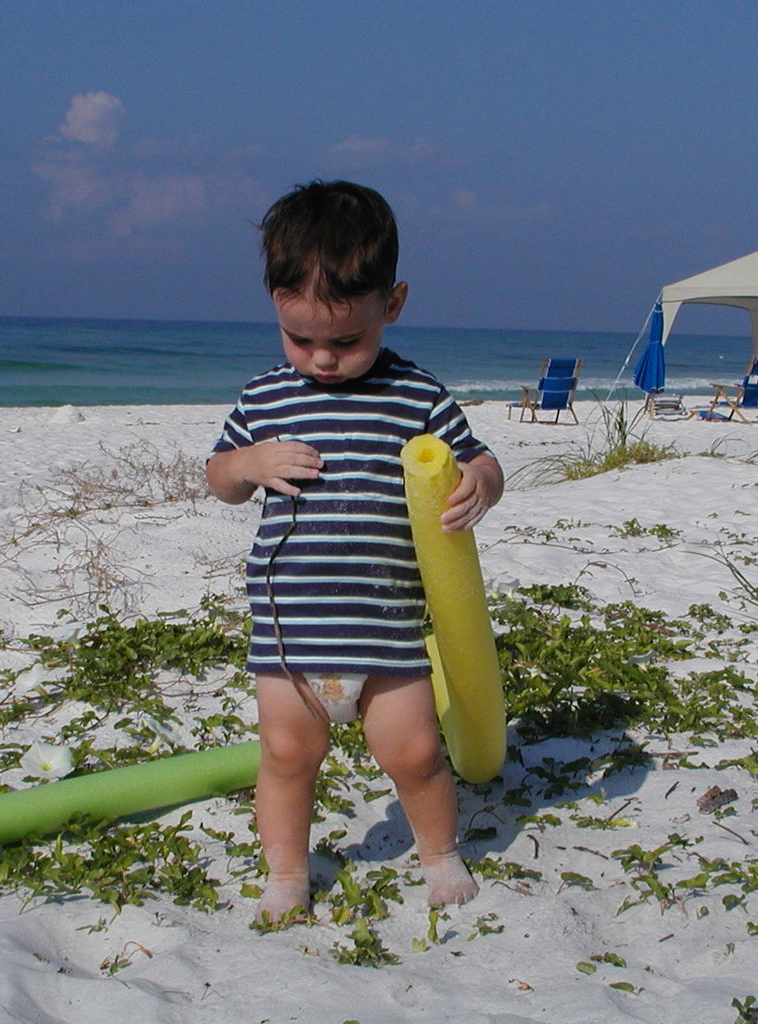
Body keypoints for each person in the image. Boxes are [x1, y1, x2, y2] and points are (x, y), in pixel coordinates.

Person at [206, 181, 505, 925]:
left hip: (385, 625)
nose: (323, 359)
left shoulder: (415, 395)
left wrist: (481, 483)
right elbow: (220, 478)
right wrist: (250, 465)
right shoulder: (265, 399)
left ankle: (438, 854)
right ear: (273, 303)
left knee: (412, 755)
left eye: (346, 341)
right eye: (300, 339)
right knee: (285, 757)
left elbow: (480, 458)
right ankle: (285, 875)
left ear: (391, 304)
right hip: (289, 629)